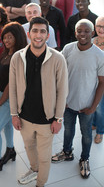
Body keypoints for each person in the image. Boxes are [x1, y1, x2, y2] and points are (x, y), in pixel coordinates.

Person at [9, 16, 68, 187]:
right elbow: (12, 88)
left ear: (47, 35)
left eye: (43, 31)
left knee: (44, 156)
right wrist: (14, 114)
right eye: (35, 30)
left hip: (47, 120)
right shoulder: (17, 57)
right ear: (29, 33)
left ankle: (40, 183)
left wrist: (58, 118)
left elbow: (63, 91)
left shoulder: (58, 59)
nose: (38, 35)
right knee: (29, 148)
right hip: (24, 117)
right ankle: (34, 170)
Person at [52, 19, 104, 179]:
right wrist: (60, 100)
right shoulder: (68, 49)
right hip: (67, 103)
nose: (82, 34)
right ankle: (67, 152)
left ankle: (84, 159)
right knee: (68, 130)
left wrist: (93, 106)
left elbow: (102, 83)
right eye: (79, 31)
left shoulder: (99, 55)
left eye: (86, 31)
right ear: (75, 33)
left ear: (92, 33)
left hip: (86, 106)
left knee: (86, 134)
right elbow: (58, 73)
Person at [0, 22, 27, 175]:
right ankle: (11, 150)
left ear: (18, 37)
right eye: (4, 38)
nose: (6, 41)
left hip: (11, 98)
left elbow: (11, 83)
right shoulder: (6, 53)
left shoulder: (19, 56)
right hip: (0, 94)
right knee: (7, 125)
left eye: (10, 37)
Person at [92, 16, 104, 144]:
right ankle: (94, 123)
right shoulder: (91, 41)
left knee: (101, 108)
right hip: (91, 80)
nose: (101, 29)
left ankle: (100, 132)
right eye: (99, 26)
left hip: (103, 82)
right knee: (93, 104)